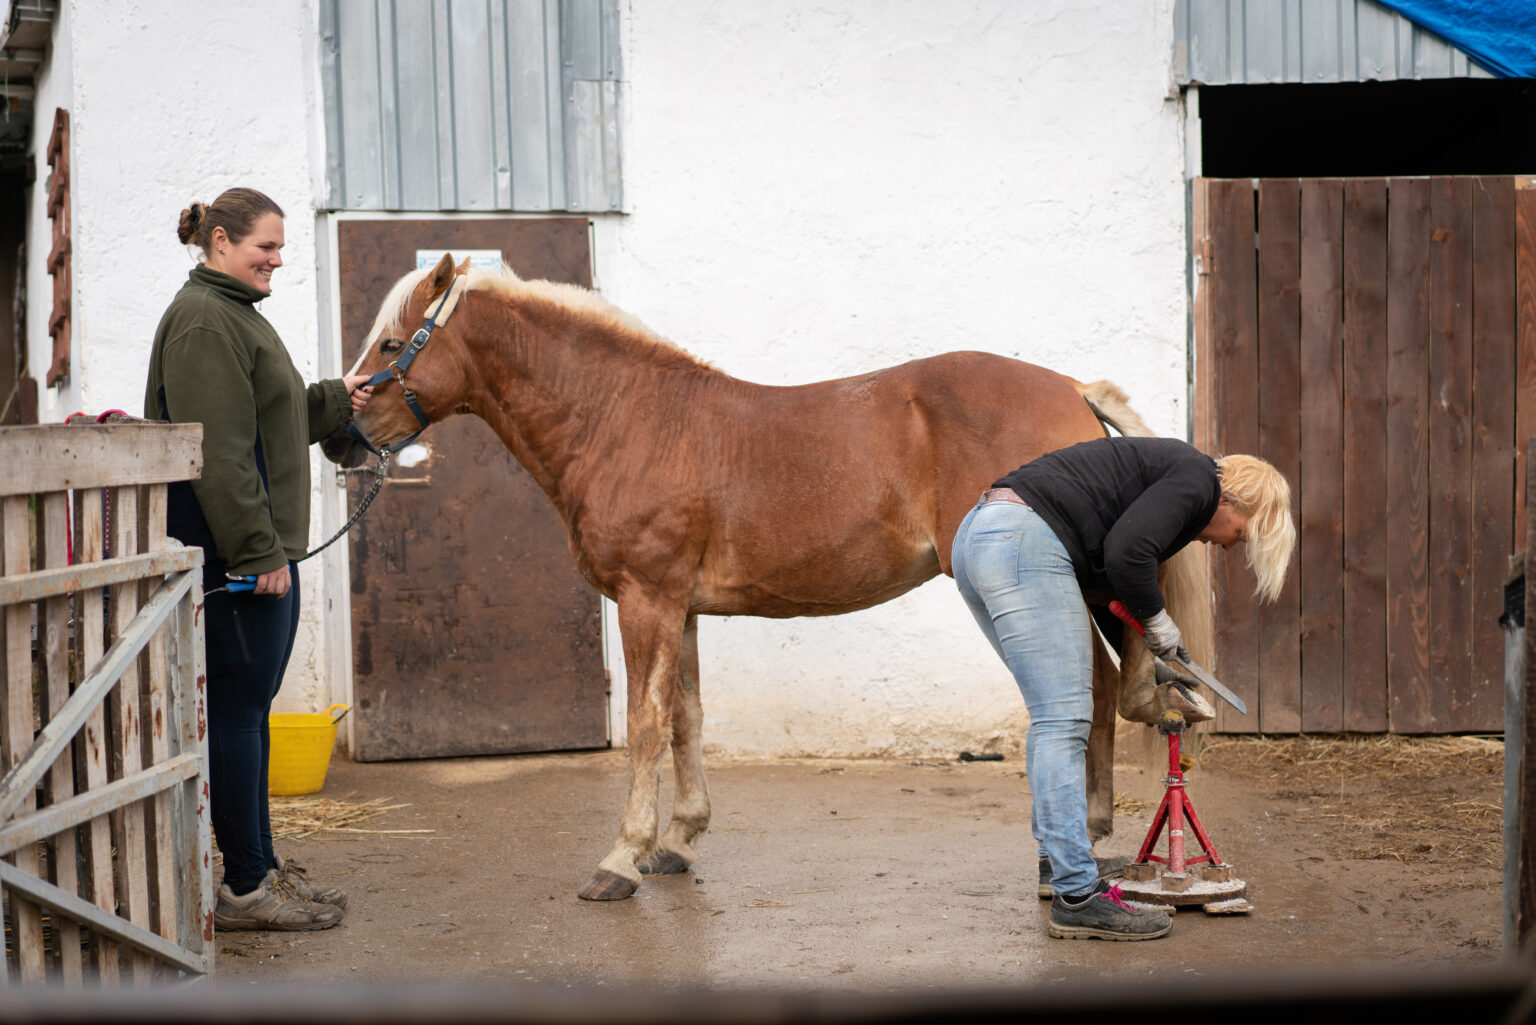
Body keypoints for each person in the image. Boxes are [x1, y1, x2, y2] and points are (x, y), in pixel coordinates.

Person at [951, 435, 1294, 940]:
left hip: (980, 539)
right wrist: (1158, 621)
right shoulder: (1199, 480)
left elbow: (1112, 569)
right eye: (1241, 535)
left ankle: (1058, 865)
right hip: (1020, 541)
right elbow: (1127, 555)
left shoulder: (1164, 477)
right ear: (1235, 501)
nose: (1226, 546)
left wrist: (1147, 658)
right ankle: (1077, 897)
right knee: (1063, 720)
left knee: (1054, 716)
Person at [143, 187, 375, 931]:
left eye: (280, 248)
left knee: (249, 713)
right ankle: (245, 889)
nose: (276, 259)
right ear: (219, 240)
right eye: (264, 247)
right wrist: (254, 551)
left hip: (257, 550)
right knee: (238, 715)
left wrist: (336, 398)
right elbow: (219, 450)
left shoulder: (236, 313)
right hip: (232, 555)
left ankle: (262, 867)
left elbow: (267, 419)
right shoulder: (204, 321)